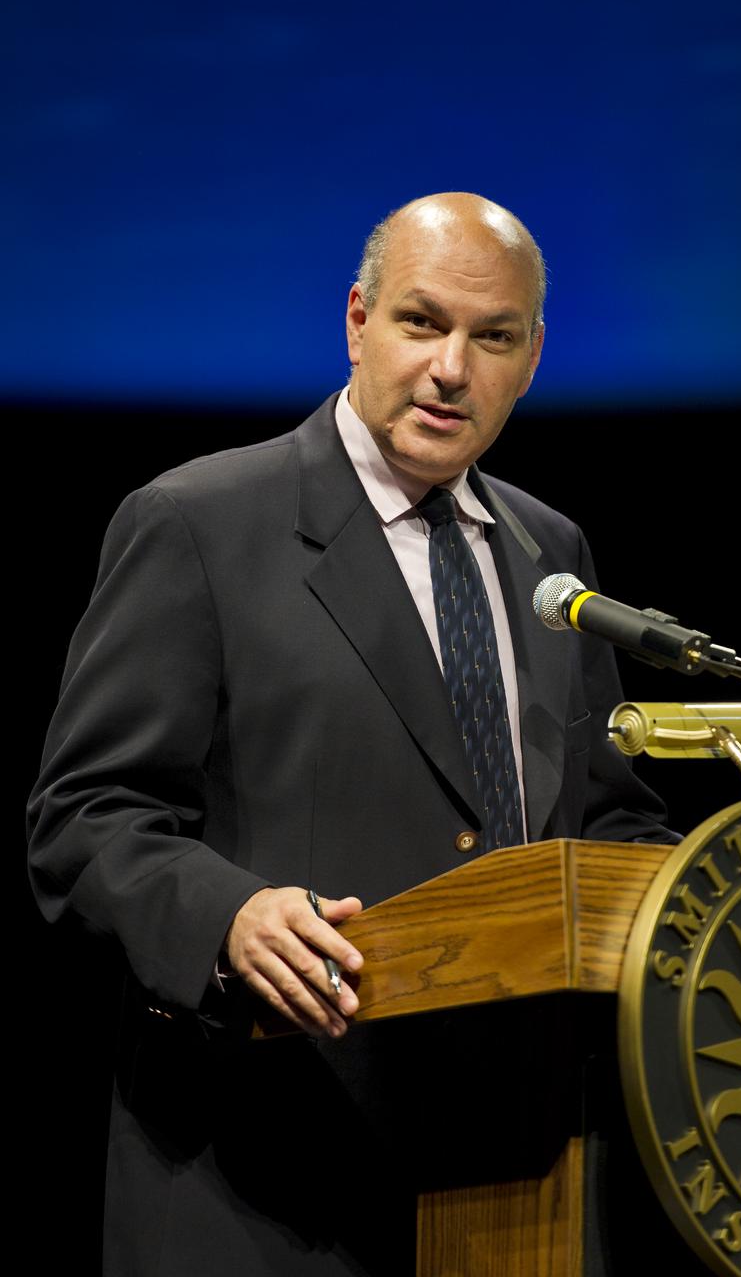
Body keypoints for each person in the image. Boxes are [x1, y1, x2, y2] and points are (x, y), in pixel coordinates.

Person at [28, 192, 679, 1275]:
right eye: (422, 322)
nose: (450, 369)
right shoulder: (199, 522)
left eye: (492, 337)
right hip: (273, 1182)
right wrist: (228, 914)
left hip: (516, 1190)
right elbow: (85, 819)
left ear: (531, 356)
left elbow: (609, 819)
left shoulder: (547, 553)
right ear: (356, 322)